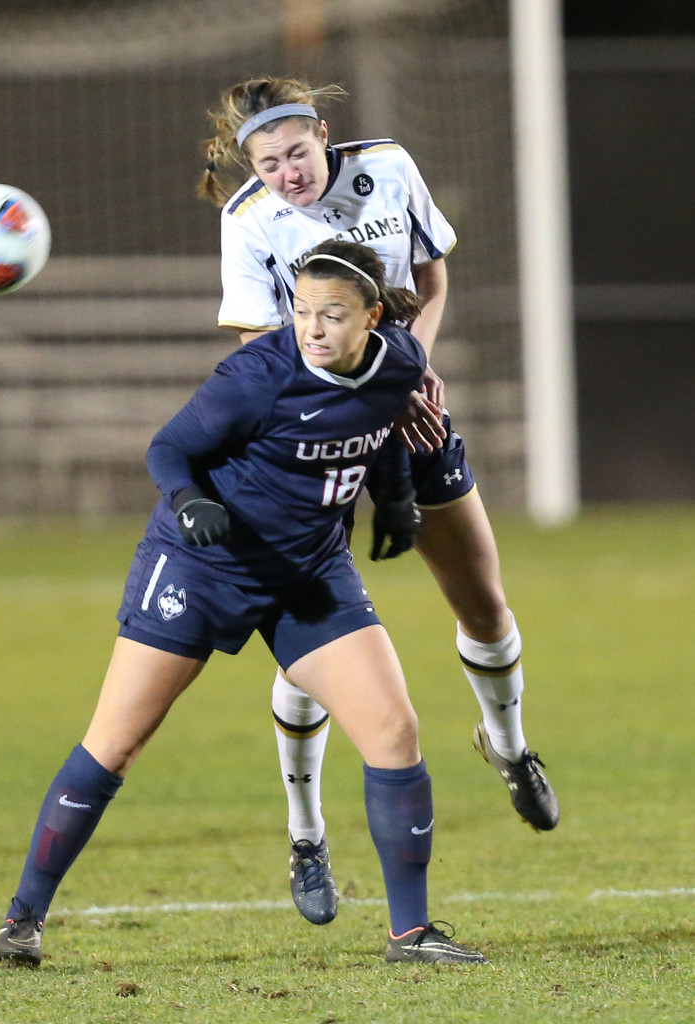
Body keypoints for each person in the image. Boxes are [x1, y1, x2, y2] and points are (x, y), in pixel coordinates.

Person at [0, 240, 488, 969]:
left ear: (373, 318)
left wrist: (398, 498)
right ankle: (24, 918)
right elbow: (169, 449)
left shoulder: (403, 362)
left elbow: (379, 426)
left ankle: (410, 934)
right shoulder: (258, 376)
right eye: (302, 311)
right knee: (116, 742)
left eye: (332, 315)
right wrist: (190, 501)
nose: (312, 328)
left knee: (393, 731)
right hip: (200, 566)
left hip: (307, 573)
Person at [199, 76, 559, 927]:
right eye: (269, 161)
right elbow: (266, 349)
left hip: (413, 419)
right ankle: (305, 833)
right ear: (250, 164)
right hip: (310, 442)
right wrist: (365, 395)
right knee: (311, 655)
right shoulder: (247, 221)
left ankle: (507, 744)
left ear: (322, 133)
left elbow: (430, 285)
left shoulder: (389, 168)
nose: (287, 173)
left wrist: (409, 371)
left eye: (296, 152)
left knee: (483, 601)